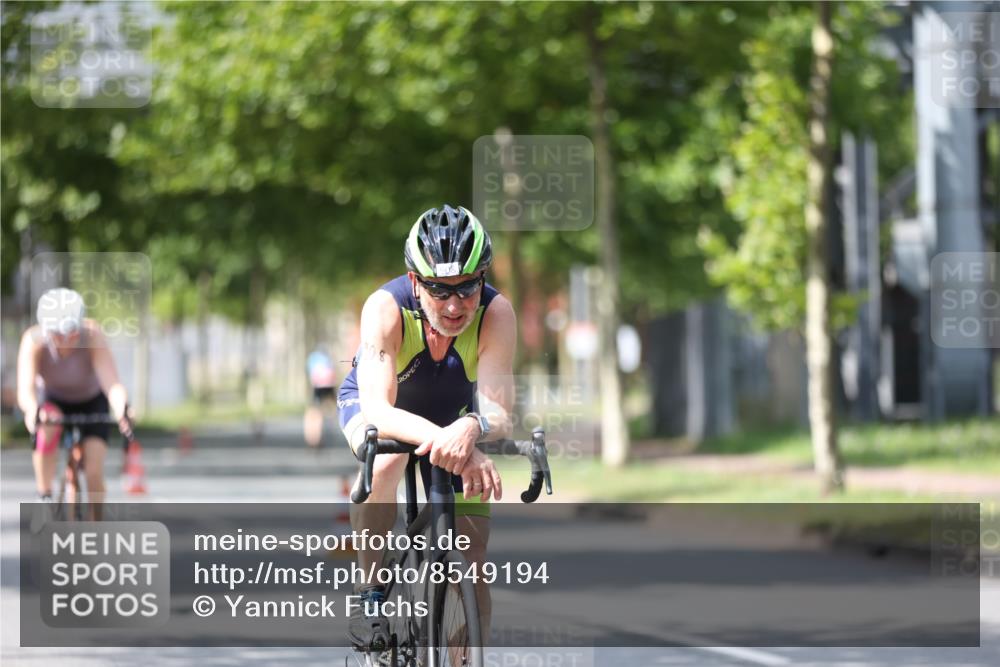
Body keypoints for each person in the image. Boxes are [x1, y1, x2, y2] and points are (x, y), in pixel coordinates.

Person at [337, 205, 516, 649]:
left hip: (455, 417)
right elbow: (378, 409)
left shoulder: (498, 313)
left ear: (483, 280)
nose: (455, 305)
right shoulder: (385, 309)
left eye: (468, 289)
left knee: (472, 562)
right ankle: (371, 593)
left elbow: (498, 409)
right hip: (381, 405)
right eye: (439, 290)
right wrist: (456, 441)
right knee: (382, 459)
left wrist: (472, 428)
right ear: (415, 282)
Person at [16, 287, 133, 520]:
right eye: (59, 335)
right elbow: (26, 388)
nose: (67, 340)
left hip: (91, 400)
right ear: (47, 331)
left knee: (93, 469)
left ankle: (95, 524)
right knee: (45, 428)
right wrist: (32, 412)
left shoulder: (91, 335)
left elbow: (112, 383)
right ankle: (44, 494)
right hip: (53, 400)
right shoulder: (33, 341)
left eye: (72, 333)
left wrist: (122, 409)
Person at [303, 345, 337, 448]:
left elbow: (310, 374)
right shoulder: (327, 359)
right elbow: (332, 374)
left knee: (314, 411)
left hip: (318, 387)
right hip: (329, 386)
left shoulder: (312, 358)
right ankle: (330, 419)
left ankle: (313, 437)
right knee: (329, 407)